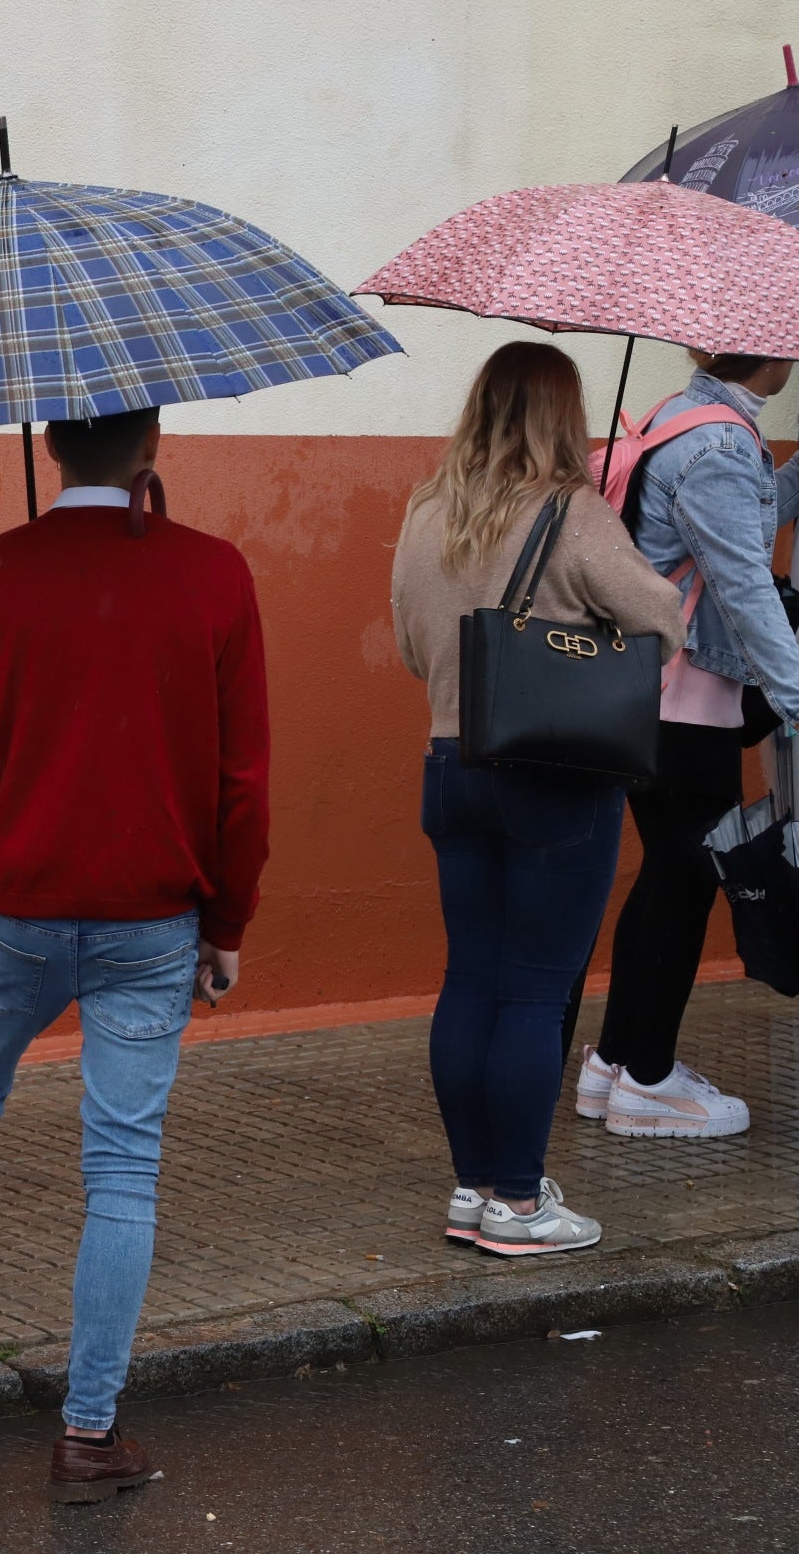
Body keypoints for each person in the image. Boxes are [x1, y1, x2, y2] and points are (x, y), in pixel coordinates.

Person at [0, 407, 267, 1504]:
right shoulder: (216, 574)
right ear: (153, 442)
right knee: (123, 1165)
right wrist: (227, 925)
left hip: (17, 912)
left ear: (49, 442)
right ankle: (89, 1433)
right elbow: (242, 779)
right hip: (154, 920)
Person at [392, 342, 685, 1257]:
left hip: (452, 763)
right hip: (555, 779)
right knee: (534, 990)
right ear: (563, 415)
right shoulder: (574, 512)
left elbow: (411, 644)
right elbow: (662, 621)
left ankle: (474, 1188)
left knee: (470, 978)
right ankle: (520, 1205)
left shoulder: (427, 507)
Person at [575, 349, 799, 1140]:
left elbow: (737, 522)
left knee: (668, 877)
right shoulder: (722, 445)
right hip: (686, 701)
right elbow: (743, 587)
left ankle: (616, 1062)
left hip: (648, 692)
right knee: (688, 879)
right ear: (767, 354)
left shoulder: (679, 418)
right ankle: (647, 1080)